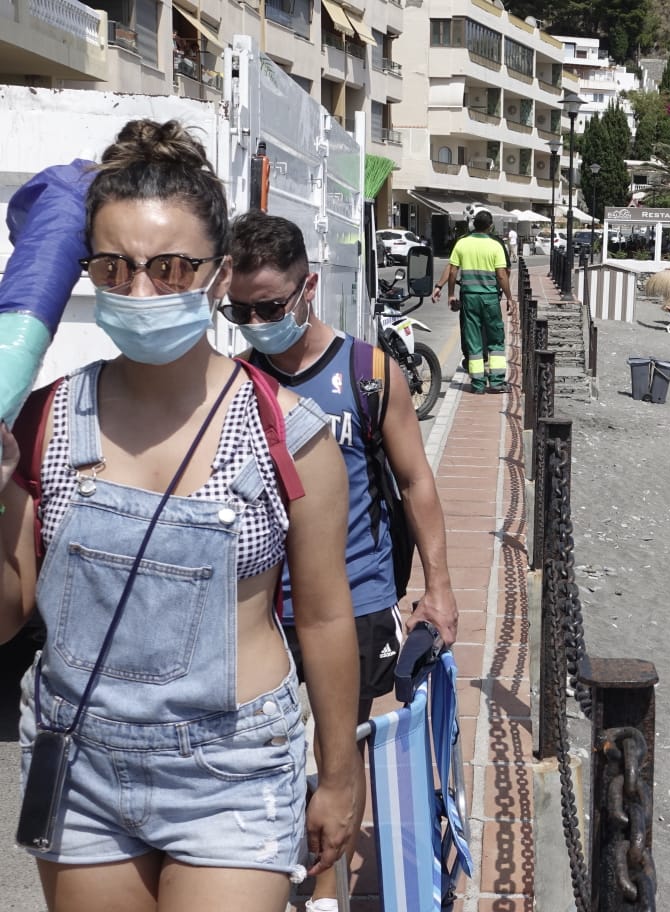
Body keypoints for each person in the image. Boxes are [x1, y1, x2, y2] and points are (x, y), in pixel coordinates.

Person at [0, 119, 359, 910]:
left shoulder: (289, 437)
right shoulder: (43, 422)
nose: (140, 291)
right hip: (78, 762)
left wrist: (339, 776)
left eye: (170, 268)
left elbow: (327, 616)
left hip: (232, 770)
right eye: (113, 267)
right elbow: (8, 615)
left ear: (219, 272)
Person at [228, 213, 461, 912]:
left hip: (354, 604)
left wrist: (439, 590)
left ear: (310, 289)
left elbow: (417, 481)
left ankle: (325, 894)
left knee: (337, 755)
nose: (256, 321)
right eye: (238, 310)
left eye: (270, 307)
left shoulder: (368, 373)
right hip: (261, 614)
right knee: (263, 761)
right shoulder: (235, 383)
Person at [433, 209, 512, 393]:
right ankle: (497, 382)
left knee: (473, 340)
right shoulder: (495, 245)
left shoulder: (462, 243)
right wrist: (509, 297)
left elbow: (452, 270)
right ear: (490, 226)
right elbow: (502, 274)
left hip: (469, 298)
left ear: (473, 224)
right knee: (496, 340)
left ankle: (477, 385)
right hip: (490, 298)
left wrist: (449, 293)